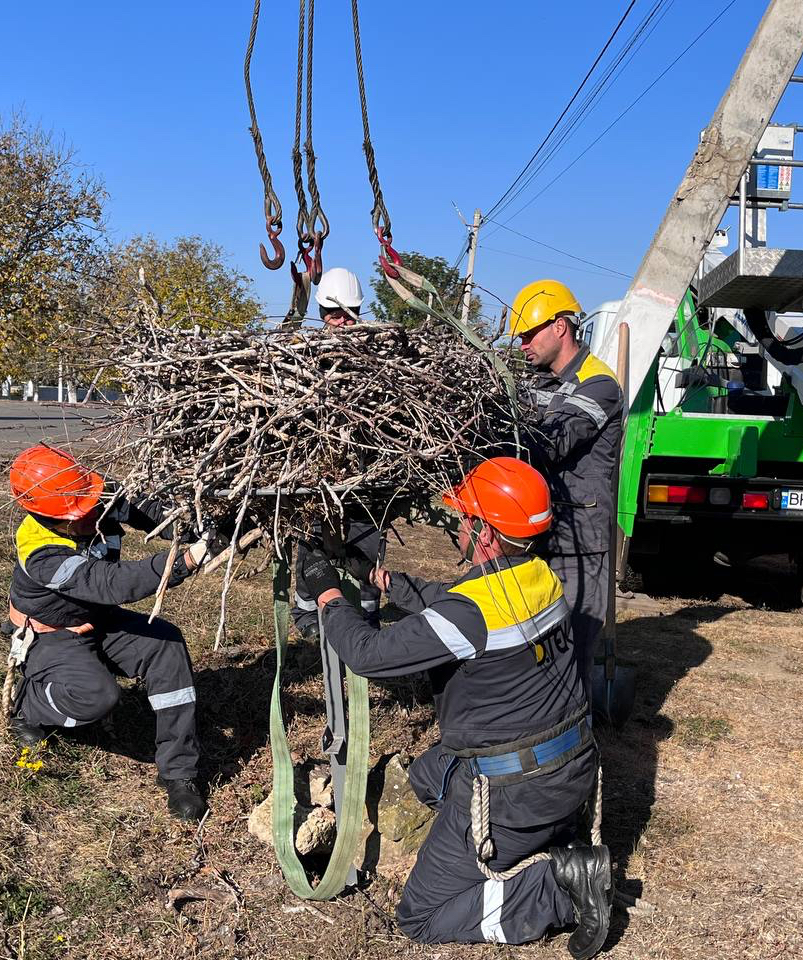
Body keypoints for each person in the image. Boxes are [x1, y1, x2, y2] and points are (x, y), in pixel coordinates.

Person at [297, 457, 611, 957]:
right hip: (571, 768)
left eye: (465, 519)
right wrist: (384, 581)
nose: (458, 526)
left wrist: (328, 593)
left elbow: (367, 655)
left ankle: (562, 886)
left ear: (484, 532)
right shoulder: (539, 577)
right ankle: (549, 840)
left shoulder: (470, 616)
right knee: (424, 776)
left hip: (512, 790)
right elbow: (458, 601)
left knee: (422, 915)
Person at [4, 444, 210, 821]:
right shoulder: (42, 553)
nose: (91, 514)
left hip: (98, 617)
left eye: (91, 503)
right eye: (77, 515)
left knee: (166, 645)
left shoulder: (91, 494)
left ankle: (179, 771)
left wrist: (197, 527)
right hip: (51, 633)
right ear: (45, 514)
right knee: (98, 697)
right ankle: (31, 704)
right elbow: (115, 583)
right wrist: (185, 561)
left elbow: (147, 511)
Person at [509, 279, 624, 706]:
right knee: (534, 654)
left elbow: (553, 442)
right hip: (540, 536)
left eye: (528, 334)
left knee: (571, 659)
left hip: (582, 547)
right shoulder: (537, 381)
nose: (522, 345)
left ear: (560, 326)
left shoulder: (600, 385)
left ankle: (576, 757)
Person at [291, 266, 385, 639]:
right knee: (312, 544)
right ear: (321, 314)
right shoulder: (302, 355)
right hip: (315, 472)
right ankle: (307, 614)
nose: (341, 321)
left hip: (366, 473)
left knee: (366, 545)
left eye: (348, 313)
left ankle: (367, 616)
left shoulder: (380, 357)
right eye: (333, 314)